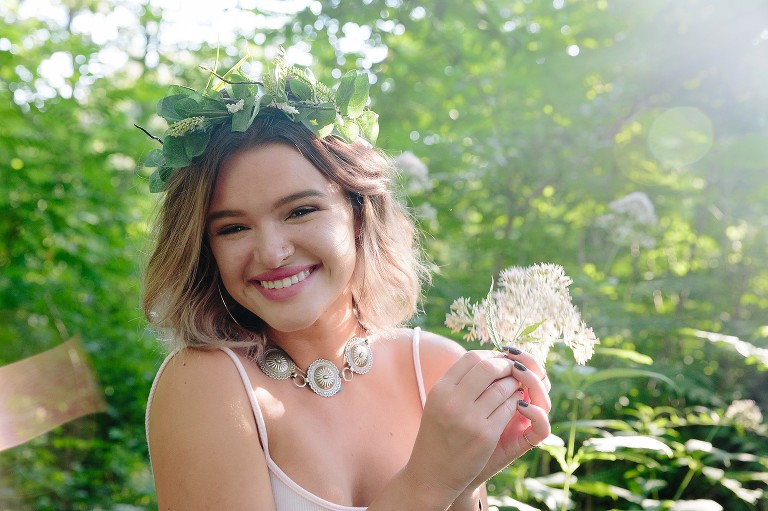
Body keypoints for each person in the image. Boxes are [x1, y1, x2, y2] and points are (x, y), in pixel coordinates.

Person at [142, 53, 552, 511]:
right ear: (205, 249)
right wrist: (431, 480)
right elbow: (425, 488)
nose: (272, 253)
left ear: (359, 214)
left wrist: (469, 482)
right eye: (233, 228)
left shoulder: (436, 370)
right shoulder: (205, 385)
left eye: (300, 211)